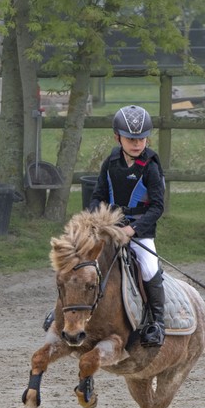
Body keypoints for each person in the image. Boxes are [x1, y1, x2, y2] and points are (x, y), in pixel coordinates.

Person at [86, 105, 167, 347]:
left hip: (139, 232)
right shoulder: (110, 163)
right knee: (80, 259)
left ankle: (157, 322)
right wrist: (95, 220)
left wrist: (133, 230)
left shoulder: (151, 167)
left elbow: (157, 208)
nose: (137, 143)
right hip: (109, 228)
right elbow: (97, 196)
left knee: (150, 267)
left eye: (141, 138)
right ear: (117, 137)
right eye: (131, 139)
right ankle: (60, 311)